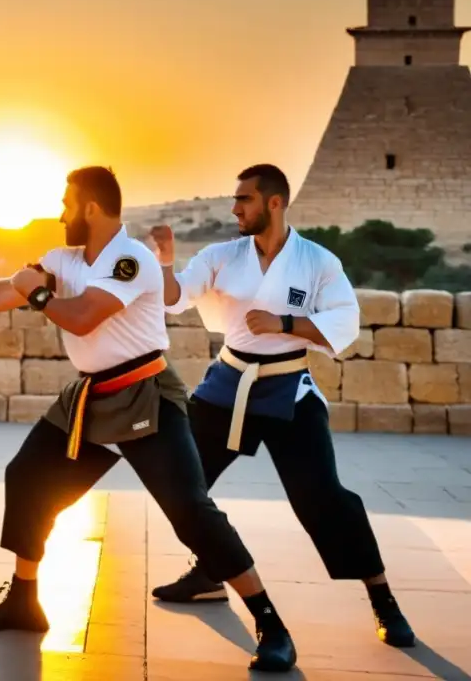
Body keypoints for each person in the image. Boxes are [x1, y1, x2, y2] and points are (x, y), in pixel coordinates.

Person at [0, 166, 297, 673]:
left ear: (90, 207)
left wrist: (37, 294)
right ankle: (24, 600)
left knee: (190, 511)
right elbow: (8, 289)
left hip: (145, 395)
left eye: (67, 204)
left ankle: (271, 624)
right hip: (89, 396)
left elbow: (84, 314)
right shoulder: (64, 259)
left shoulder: (131, 260)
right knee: (26, 477)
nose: (61, 214)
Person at [148, 163, 416, 648]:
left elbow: (344, 324)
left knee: (323, 499)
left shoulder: (318, 262)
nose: (234, 209)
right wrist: (166, 262)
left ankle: (383, 599)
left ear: (274, 202)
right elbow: (176, 297)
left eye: (244, 200)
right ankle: (211, 573)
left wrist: (285, 324)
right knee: (182, 489)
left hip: (289, 389)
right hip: (227, 385)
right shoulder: (221, 255)